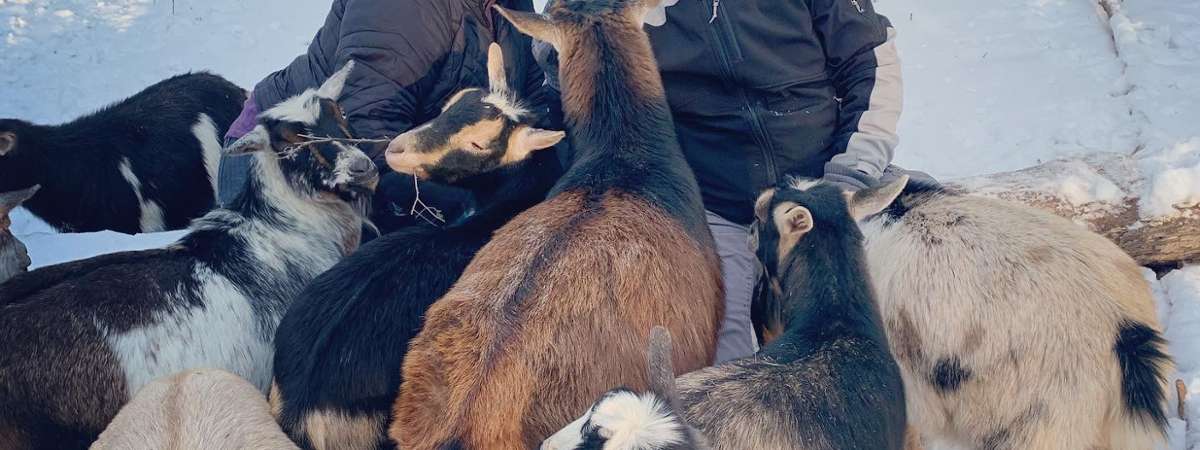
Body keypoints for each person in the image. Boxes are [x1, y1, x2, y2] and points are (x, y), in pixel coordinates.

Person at [537, 0, 929, 363]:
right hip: (714, 202)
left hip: (827, 179)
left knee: (915, 307)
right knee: (717, 356)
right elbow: (569, 74)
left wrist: (851, 175)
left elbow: (870, 60)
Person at [218, 0, 559, 231]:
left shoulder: (510, 3)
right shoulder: (403, 9)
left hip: (399, 156)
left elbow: (525, 101)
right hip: (284, 161)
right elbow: (362, 129)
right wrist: (462, 210)